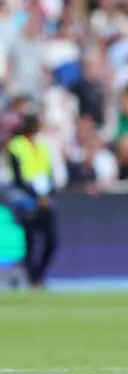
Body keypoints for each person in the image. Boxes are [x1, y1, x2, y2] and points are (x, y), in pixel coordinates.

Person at [6, 114, 58, 289]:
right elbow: (18, 177)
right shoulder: (16, 146)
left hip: (44, 197)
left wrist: (48, 194)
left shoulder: (43, 146)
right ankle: (32, 278)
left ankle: (38, 275)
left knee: (52, 240)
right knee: (29, 241)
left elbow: (48, 172)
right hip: (26, 199)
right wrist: (36, 196)